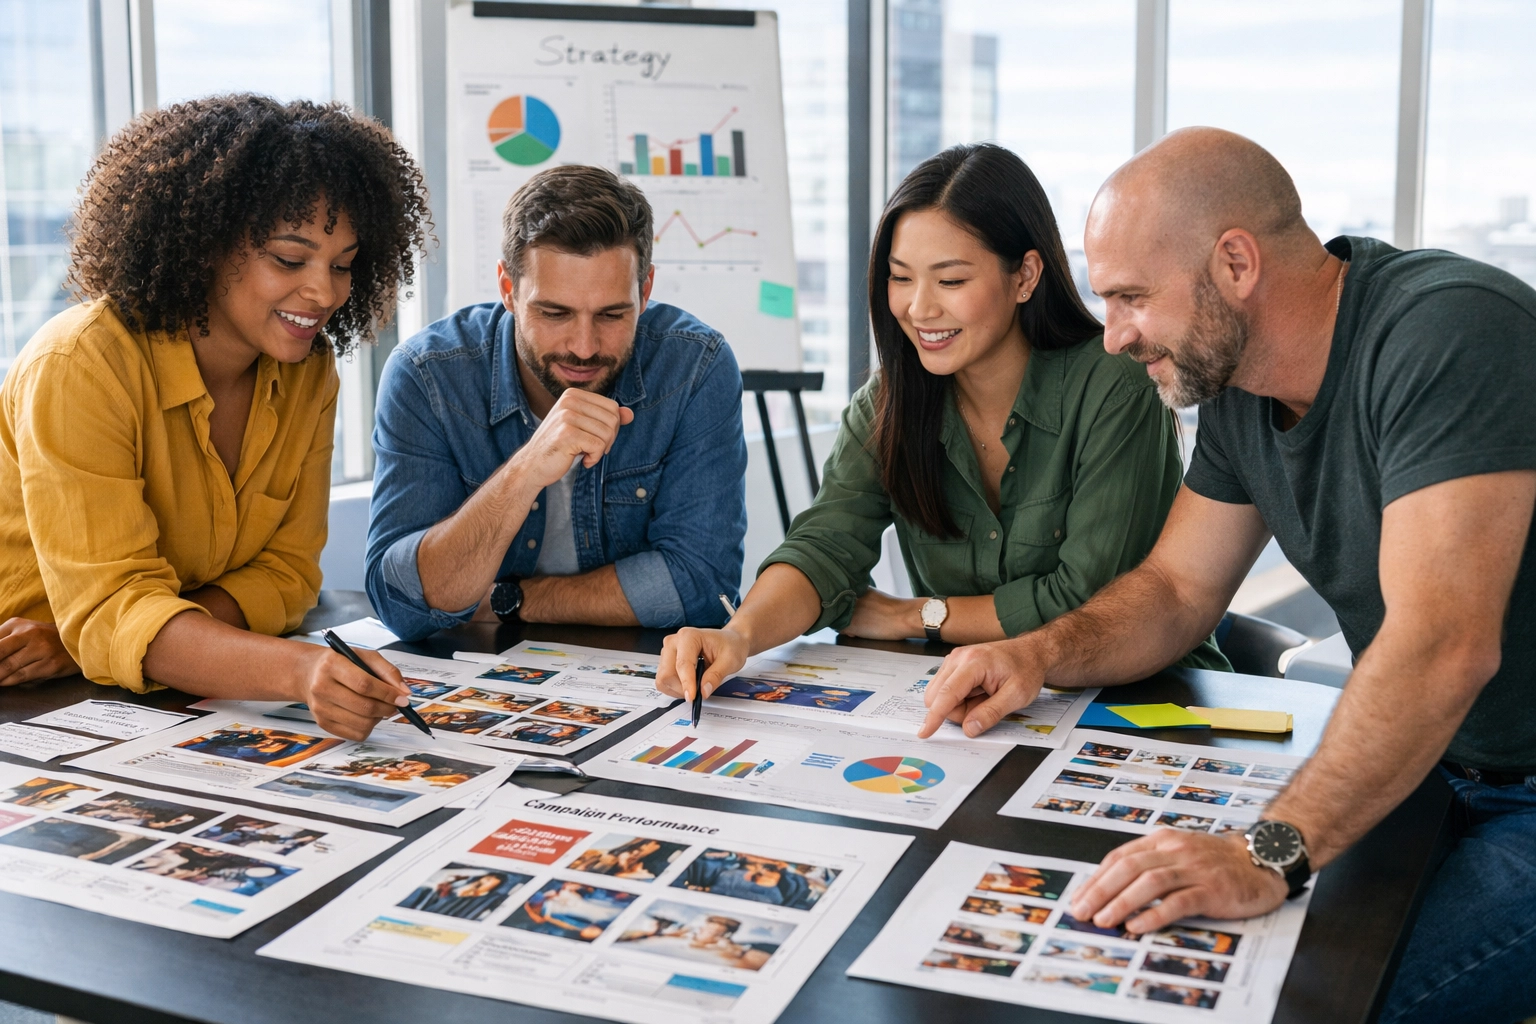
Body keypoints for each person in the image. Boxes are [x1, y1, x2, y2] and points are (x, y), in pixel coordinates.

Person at [919, 128, 1536, 1024]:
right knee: (1174, 967)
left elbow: (1443, 646)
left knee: (1305, 1004)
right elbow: (1175, 590)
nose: (1116, 337)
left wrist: (1264, 854)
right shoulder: (1243, 384)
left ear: (1236, 262)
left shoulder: (1447, 331)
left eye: (1131, 298)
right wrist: (1037, 653)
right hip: (1430, 771)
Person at [655, 143, 1225, 703]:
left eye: (950, 281)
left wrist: (918, 615)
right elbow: (823, 548)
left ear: (1025, 276)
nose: (919, 308)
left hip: (1140, 697)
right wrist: (739, 635)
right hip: (977, 700)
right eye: (901, 278)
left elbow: (1086, 605)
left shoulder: (1113, 386)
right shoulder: (888, 403)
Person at [0, 95, 432, 740]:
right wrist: (299, 671)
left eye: (343, 265)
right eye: (290, 259)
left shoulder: (308, 371)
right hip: (35, 698)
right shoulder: (79, 363)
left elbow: (287, 577)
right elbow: (114, 607)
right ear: (203, 245)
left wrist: (118, 634)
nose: (323, 292)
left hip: (157, 685)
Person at [365, 165, 747, 640]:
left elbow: (704, 587)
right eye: (554, 313)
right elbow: (403, 603)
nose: (584, 346)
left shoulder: (694, 367)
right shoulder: (428, 376)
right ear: (508, 289)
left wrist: (513, 600)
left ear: (645, 290)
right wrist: (526, 470)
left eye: (612, 314)